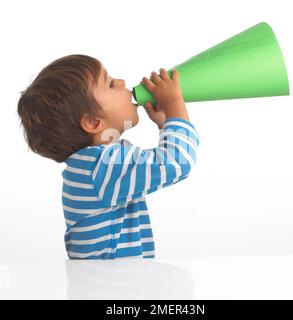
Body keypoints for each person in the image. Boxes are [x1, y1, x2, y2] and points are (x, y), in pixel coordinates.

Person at [17, 54, 200, 259]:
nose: (122, 81)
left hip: (105, 286)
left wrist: (166, 124)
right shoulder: (102, 166)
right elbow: (177, 162)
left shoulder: (90, 166)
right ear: (94, 123)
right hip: (111, 288)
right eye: (111, 84)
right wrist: (174, 103)